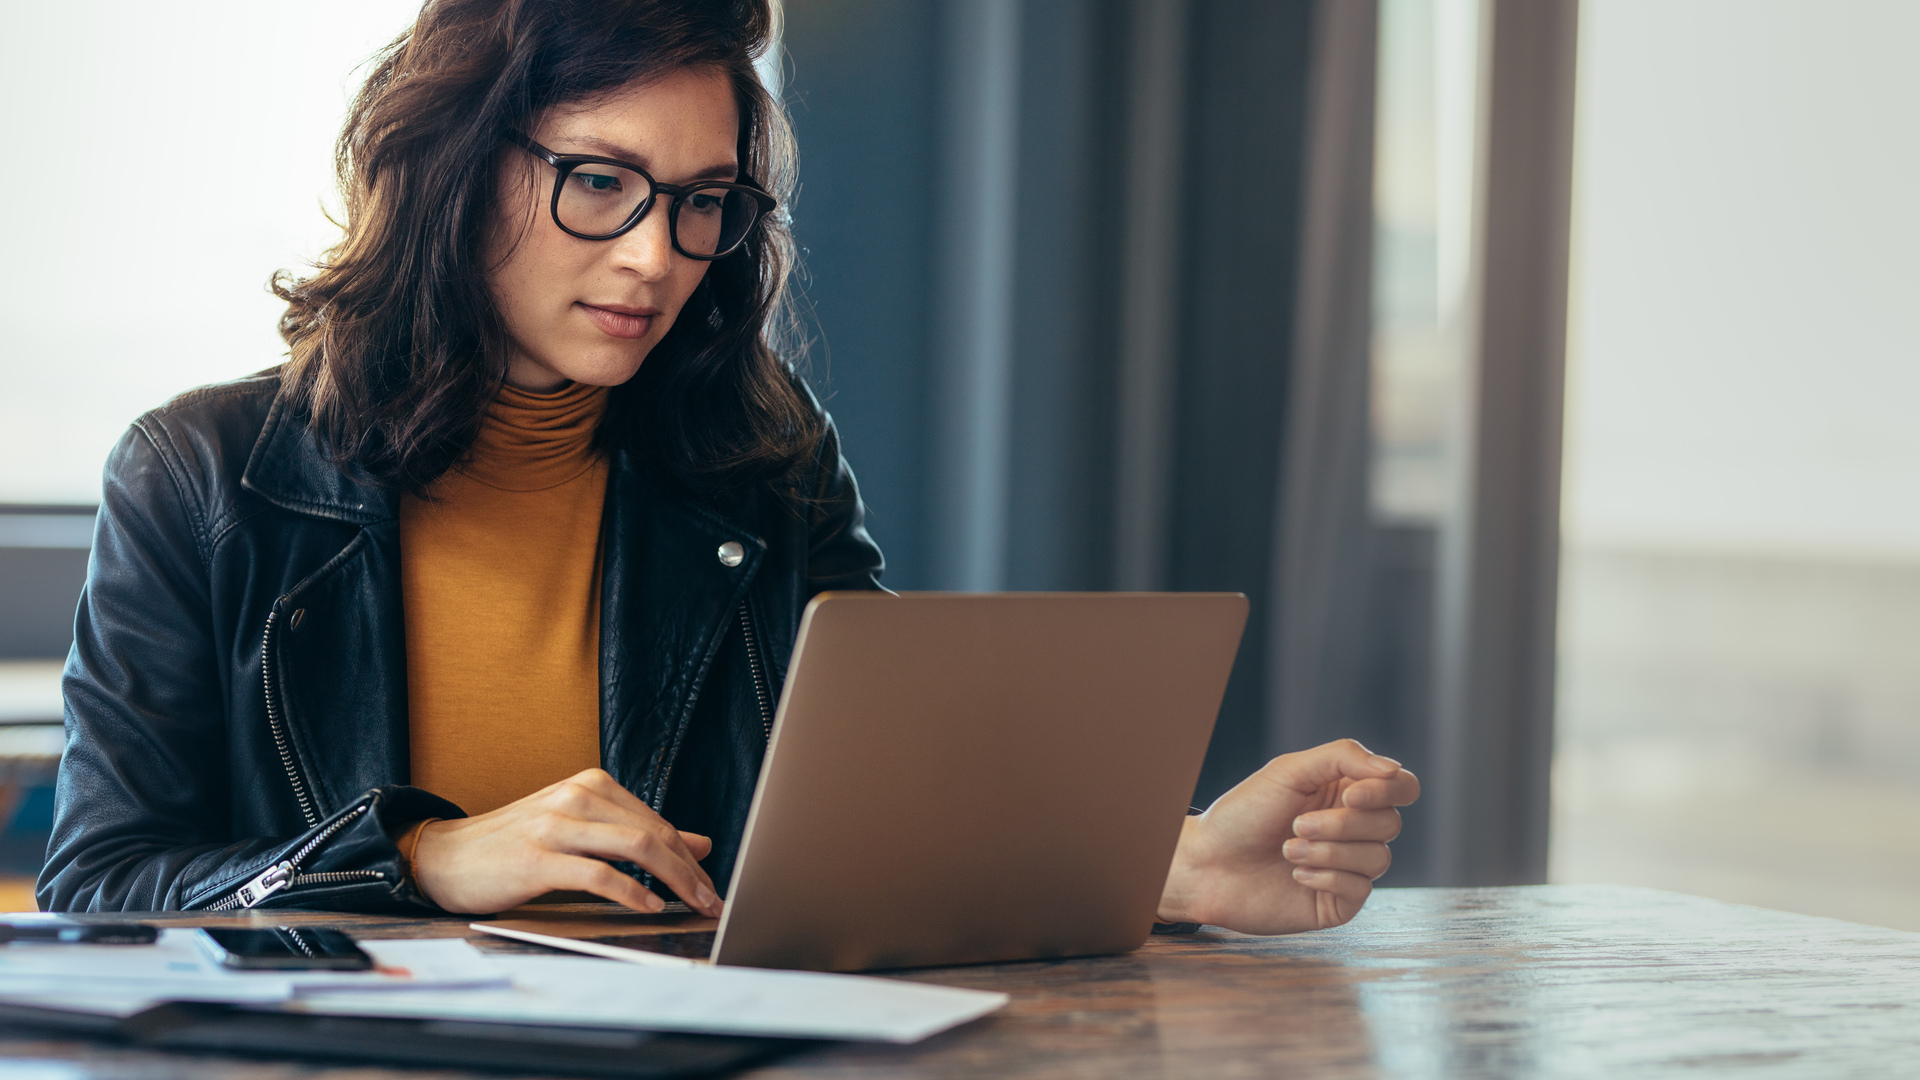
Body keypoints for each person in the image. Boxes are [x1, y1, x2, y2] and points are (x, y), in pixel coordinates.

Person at [38, 0, 1419, 935]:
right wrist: (416, 860)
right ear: (453, 166)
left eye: (703, 201)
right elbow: (103, 888)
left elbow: (886, 812)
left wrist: (1170, 863)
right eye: (599, 181)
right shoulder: (205, 478)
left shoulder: (759, 456)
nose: (655, 255)